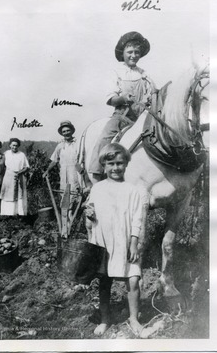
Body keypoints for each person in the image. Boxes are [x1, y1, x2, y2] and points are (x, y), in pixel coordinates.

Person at [85, 143, 144, 336]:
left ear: (126, 164)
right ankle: (104, 319)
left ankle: (134, 319)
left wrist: (134, 242)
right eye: (111, 163)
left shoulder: (132, 189)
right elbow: (91, 218)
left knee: (133, 280)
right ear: (103, 166)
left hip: (126, 242)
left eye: (120, 163)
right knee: (104, 281)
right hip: (105, 242)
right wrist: (90, 214)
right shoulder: (98, 189)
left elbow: (137, 217)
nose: (116, 168)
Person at [89, 31, 156, 182]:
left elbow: (153, 93)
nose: (134, 55)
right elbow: (111, 99)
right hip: (122, 116)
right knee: (105, 136)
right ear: (123, 53)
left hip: (142, 119)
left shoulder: (144, 74)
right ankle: (96, 174)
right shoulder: (116, 72)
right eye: (130, 52)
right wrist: (123, 98)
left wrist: (151, 98)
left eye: (137, 52)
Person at [43, 120, 80, 205]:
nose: (66, 133)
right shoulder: (60, 146)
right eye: (64, 131)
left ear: (72, 131)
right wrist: (47, 171)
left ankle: (75, 215)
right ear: (62, 133)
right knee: (64, 194)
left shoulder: (77, 144)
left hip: (75, 173)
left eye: (68, 130)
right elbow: (54, 160)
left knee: (75, 193)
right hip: (63, 174)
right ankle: (65, 215)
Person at [0, 138, 30, 216]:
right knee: (8, 195)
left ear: (18, 146)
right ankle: (7, 214)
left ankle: (18, 213)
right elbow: (1, 165)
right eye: (13, 145)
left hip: (19, 176)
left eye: (16, 145)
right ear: (10, 145)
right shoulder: (6, 154)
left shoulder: (21, 155)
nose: (14, 147)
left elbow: (27, 167)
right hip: (8, 177)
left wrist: (19, 172)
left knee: (19, 195)